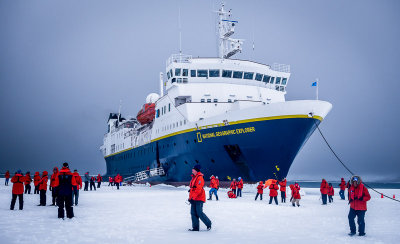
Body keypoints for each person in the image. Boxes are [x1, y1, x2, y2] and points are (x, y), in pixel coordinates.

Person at [188, 164, 211, 231]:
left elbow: (198, 189)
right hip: (194, 198)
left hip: (199, 198)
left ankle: (209, 224)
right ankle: (195, 227)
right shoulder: (194, 177)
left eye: (193, 169)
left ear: (196, 170)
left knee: (199, 212)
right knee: (193, 213)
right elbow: (193, 188)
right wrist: (191, 197)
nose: (192, 170)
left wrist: (192, 198)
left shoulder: (199, 177)